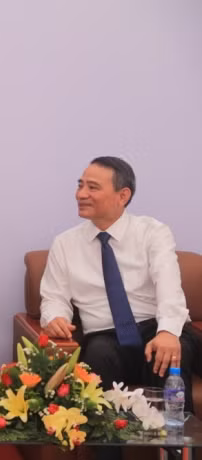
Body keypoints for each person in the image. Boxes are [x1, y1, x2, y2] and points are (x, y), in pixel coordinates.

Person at [40, 156, 201, 410]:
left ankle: (176, 434)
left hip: (154, 326)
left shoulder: (153, 232)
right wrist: (55, 317)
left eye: (92, 187)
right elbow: (54, 297)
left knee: (169, 352)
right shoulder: (65, 244)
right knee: (97, 355)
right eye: (80, 185)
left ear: (123, 195)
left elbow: (168, 284)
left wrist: (169, 331)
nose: (81, 194)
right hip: (105, 335)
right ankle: (105, 435)